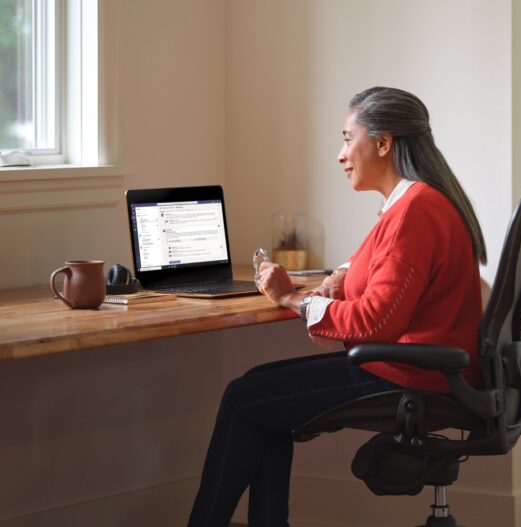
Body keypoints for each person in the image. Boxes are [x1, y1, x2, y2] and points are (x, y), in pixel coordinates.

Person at [187, 86, 487, 527]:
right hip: (419, 368)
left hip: (409, 375)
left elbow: (376, 321)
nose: (340, 154)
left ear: (383, 143)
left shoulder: (414, 211)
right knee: (256, 396)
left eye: (348, 138)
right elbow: (376, 260)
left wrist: (292, 298)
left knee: (242, 398)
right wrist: (340, 276)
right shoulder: (412, 202)